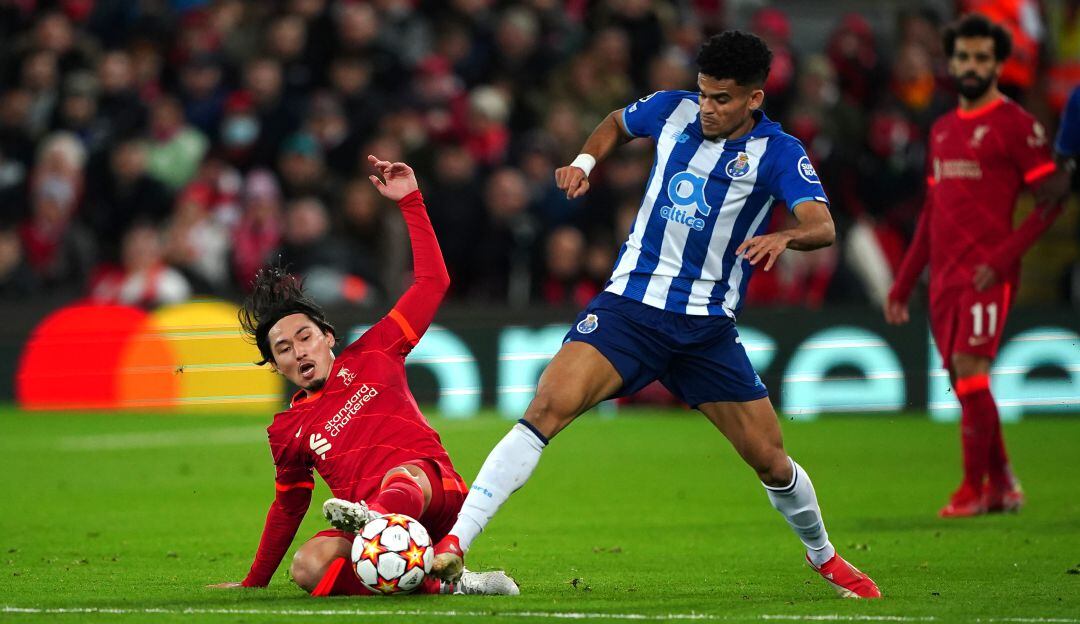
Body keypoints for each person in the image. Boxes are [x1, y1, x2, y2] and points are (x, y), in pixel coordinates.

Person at [425, 31, 881, 598]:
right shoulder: (672, 109)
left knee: (770, 460)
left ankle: (824, 556)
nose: (707, 107)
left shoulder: (779, 152)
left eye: (721, 99)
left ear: (754, 99)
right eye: (704, 93)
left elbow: (824, 224)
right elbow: (617, 122)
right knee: (547, 406)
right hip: (629, 310)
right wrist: (585, 160)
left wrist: (787, 237)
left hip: (706, 329)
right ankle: (455, 545)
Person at [208, 156, 518, 597]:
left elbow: (432, 283)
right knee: (307, 568)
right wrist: (253, 581)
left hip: (431, 493)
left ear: (328, 337)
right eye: (284, 349)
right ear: (276, 367)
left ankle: (378, 518)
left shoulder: (375, 349)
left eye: (305, 337)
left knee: (402, 479)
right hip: (370, 529)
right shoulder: (287, 430)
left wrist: (411, 201)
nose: (298, 351)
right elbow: (288, 507)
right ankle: (445, 584)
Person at [885, 15, 1068, 518]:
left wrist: (1003, 257)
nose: (971, 66)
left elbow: (1051, 201)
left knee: (970, 373)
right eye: (964, 57)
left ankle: (974, 489)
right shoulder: (943, 129)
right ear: (952, 61)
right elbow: (931, 210)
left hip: (987, 273)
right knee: (965, 381)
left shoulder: (1016, 125)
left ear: (998, 63)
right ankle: (1005, 483)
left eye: (982, 58)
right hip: (943, 275)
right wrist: (903, 283)